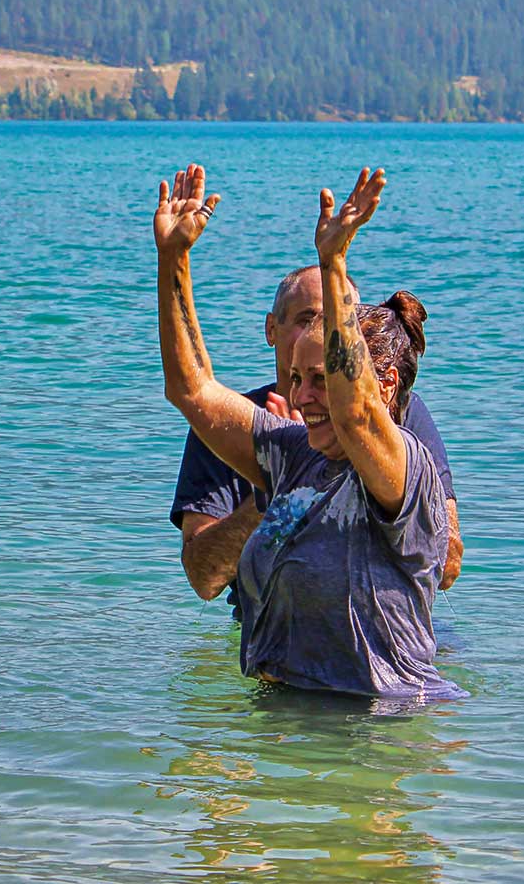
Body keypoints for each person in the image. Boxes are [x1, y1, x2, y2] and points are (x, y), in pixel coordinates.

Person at [154, 162, 466, 700]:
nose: (300, 397)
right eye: (296, 378)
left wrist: (334, 262)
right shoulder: (292, 455)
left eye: (320, 380)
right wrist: (173, 260)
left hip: (377, 727)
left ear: (381, 384)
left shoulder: (403, 469)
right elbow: (192, 391)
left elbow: (356, 414)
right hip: (285, 720)